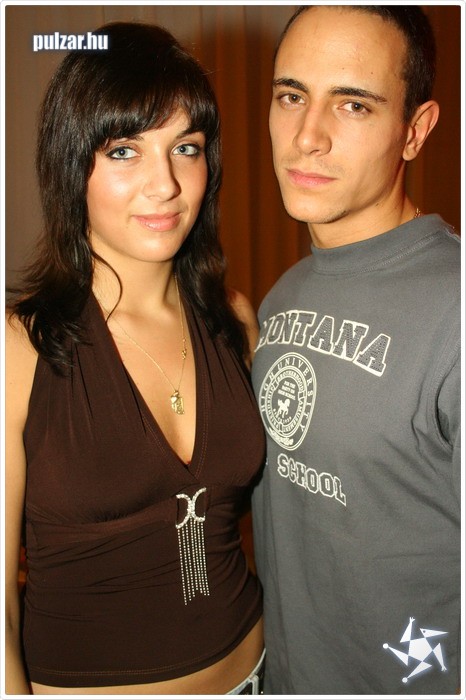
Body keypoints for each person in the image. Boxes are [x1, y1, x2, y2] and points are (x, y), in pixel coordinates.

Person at [5, 21, 266, 695]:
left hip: (258, 673)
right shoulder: (18, 347)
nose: (166, 184)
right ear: (72, 166)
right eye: (125, 150)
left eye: (186, 148)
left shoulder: (235, 318)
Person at [251, 5, 460, 695]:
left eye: (353, 105)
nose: (307, 137)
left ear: (415, 131)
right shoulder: (284, 295)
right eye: (292, 97)